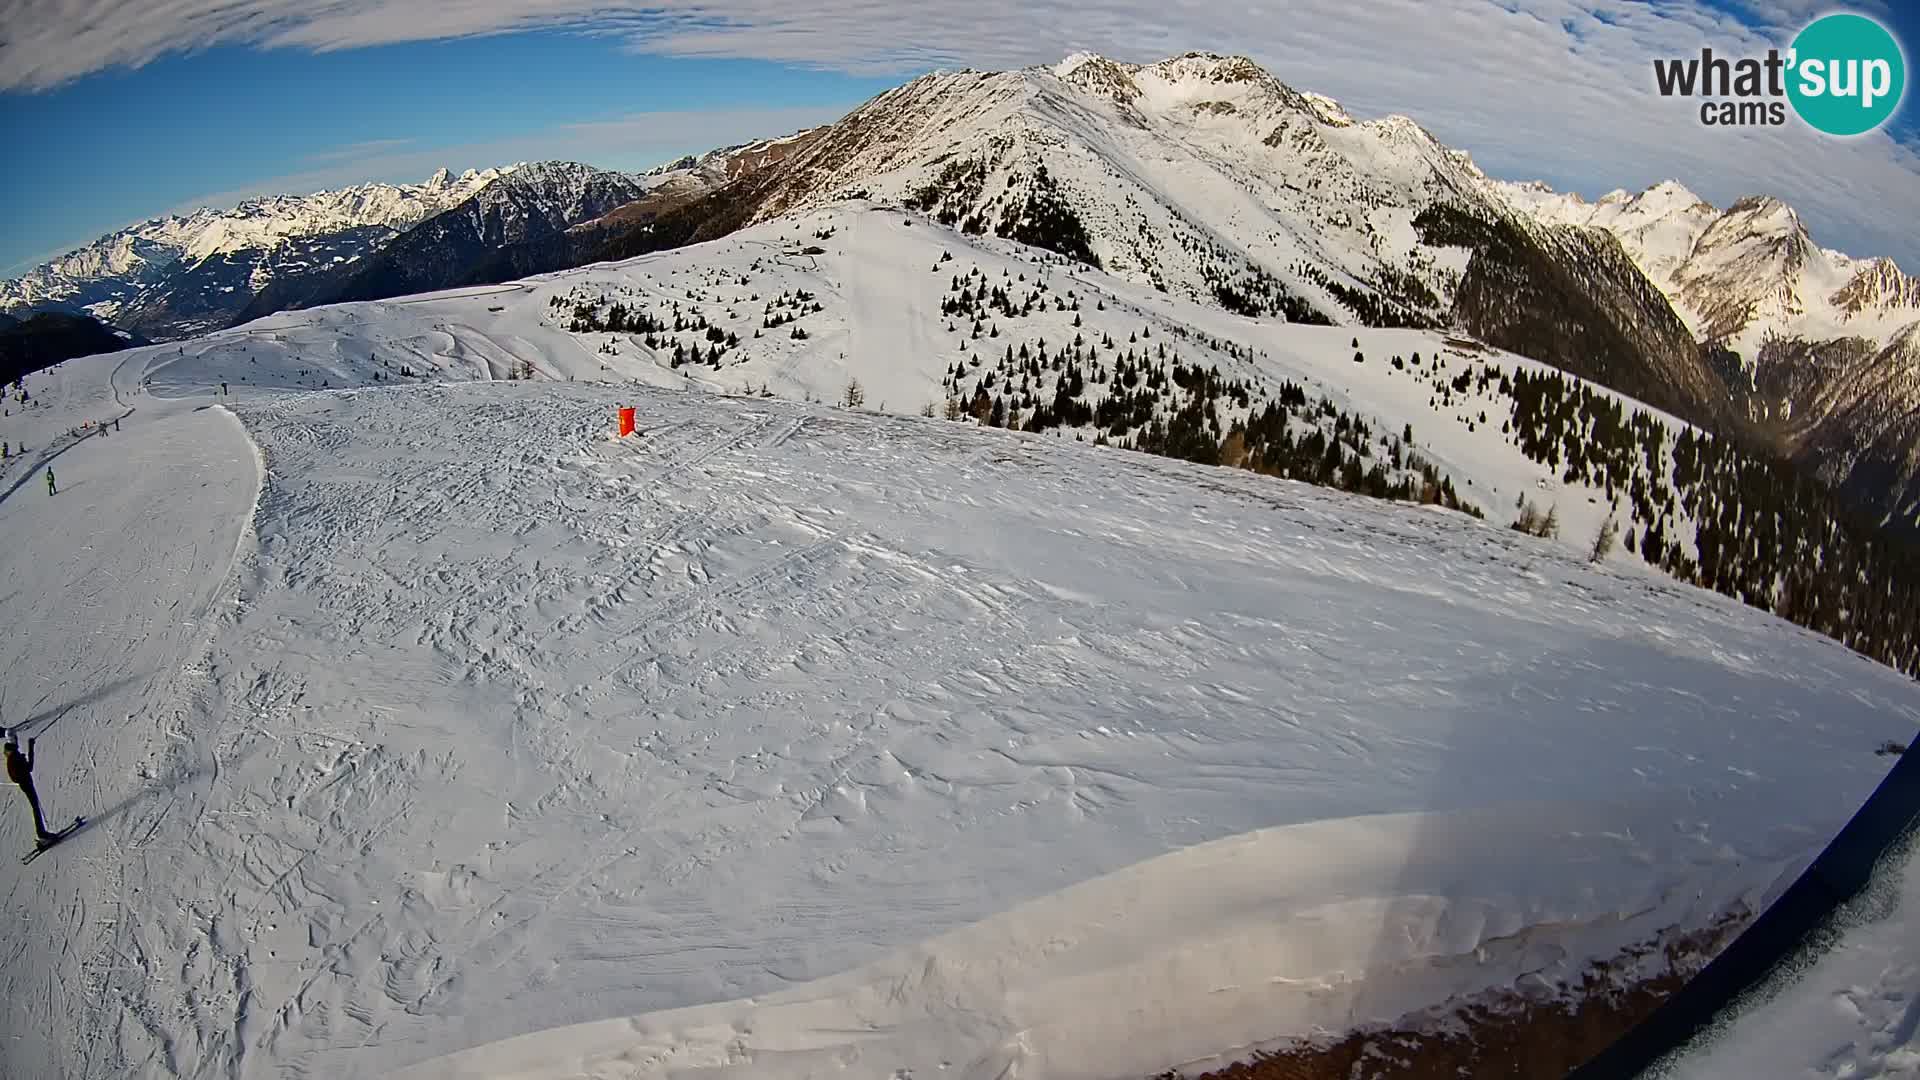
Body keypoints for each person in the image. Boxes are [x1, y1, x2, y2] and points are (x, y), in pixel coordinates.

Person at [4, 729, 56, 847]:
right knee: (35, 807)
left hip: (25, 782)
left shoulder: (11, 753)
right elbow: (30, 767)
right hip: (26, 783)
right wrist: (31, 747)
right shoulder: (14, 755)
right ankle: (42, 834)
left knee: (35, 807)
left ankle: (42, 833)